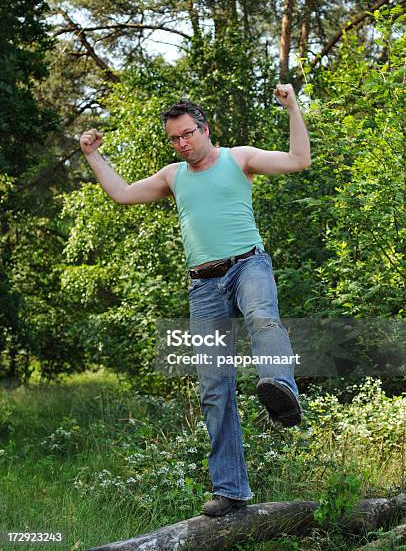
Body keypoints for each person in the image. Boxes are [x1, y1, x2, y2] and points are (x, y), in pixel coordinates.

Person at [79, 83, 311, 517]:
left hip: (248, 266)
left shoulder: (238, 158)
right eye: (174, 138)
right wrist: (93, 156)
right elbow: (123, 193)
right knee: (212, 387)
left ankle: (280, 387)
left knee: (262, 317)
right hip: (203, 286)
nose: (182, 143)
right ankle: (231, 491)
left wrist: (293, 107)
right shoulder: (173, 175)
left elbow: (300, 160)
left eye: (187, 134)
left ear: (205, 129)